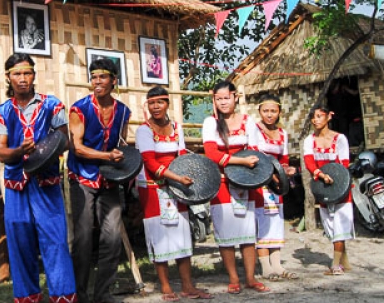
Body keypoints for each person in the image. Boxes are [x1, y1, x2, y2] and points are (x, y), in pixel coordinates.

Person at [0, 53, 77, 302]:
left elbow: (64, 139)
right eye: (16, 74)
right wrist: (20, 151)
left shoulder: (53, 105)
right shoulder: (0, 112)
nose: (22, 79)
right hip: (16, 186)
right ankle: (28, 297)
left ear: (34, 75)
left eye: (27, 73)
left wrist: (45, 151)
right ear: (8, 77)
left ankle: (63, 297)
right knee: (19, 243)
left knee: (56, 241)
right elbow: (3, 152)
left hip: (46, 183)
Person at [135, 87, 212, 301]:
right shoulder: (144, 130)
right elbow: (149, 162)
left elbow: (182, 158)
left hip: (177, 187)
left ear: (167, 103)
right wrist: (177, 178)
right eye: (151, 103)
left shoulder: (177, 128)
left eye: (160, 102)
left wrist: (184, 178)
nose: (156, 107)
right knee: (159, 234)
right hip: (153, 187)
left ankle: (188, 285)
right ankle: (166, 286)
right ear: (147, 106)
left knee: (181, 233)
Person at [68, 58, 131, 303]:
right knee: (83, 239)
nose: (97, 82)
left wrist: (127, 158)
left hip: (109, 180)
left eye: (102, 77)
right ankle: (80, 296)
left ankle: (102, 294)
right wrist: (107, 155)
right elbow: (77, 148)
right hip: (83, 178)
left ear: (114, 81)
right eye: (94, 77)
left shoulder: (124, 111)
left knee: (112, 238)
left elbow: (122, 143)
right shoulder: (79, 109)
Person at [202, 80, 270, 294]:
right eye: (219, 99)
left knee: (248, 231)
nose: (223, 102)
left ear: (235, 97)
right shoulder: (210, 123)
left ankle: (250, 277)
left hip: (245, 182)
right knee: (225, 232)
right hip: (221, 183)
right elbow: (211, 154)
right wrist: (239, 161)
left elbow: (256, 151)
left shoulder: (249, 122)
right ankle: (233, 278)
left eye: (226, 98)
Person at [247, 94, 299, 281]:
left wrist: (287, 170)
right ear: (260, 111)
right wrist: (271, 175)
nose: (269, 115)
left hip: (277, 185)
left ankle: (277, 264)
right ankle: (265, 266)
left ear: (279, 113)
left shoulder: (282, 133)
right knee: (262, 221)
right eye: (266, 111)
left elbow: (283, 160)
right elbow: (254, 157)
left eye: (273, 111)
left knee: (276, 220)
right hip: (260, 183)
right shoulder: (254, 130)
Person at [302, 104, 354, 276]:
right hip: (322, 185)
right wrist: (320, 174)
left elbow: (344, 164)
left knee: (340, 223)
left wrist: (335, 180)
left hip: (339, 186)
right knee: (330, 225)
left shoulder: (340, 139)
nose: (316, 120)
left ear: (329, 116)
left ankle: (336, 264)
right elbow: (309, 162)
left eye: (319, 116)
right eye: (313, 117)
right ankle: (344, 260)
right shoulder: (309, 141)